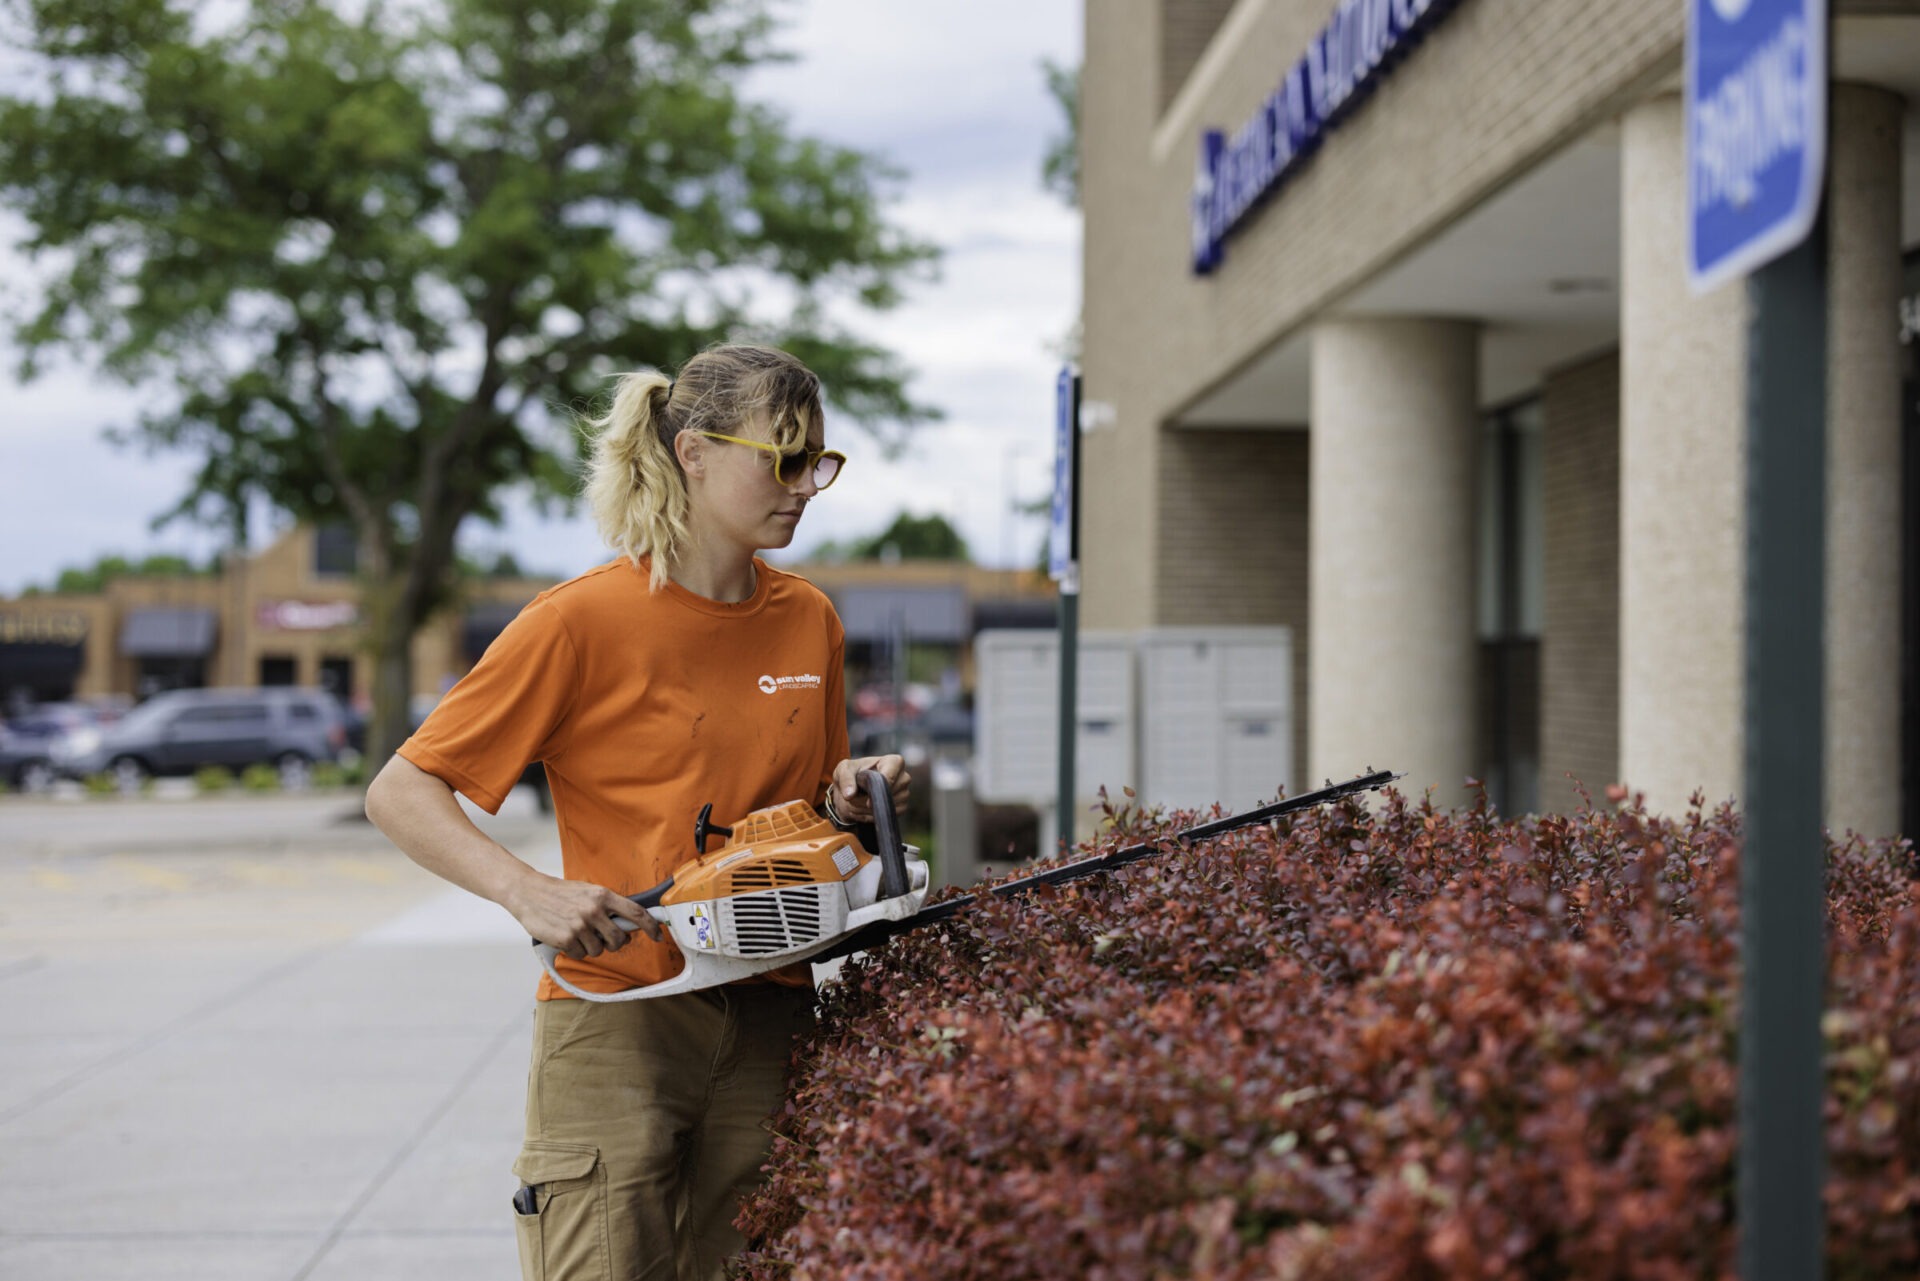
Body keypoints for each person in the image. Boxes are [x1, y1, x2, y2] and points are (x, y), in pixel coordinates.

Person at [364, 343, 909, 1281]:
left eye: (819, 460)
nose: (807, 486)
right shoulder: (579, 620)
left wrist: (850, 797)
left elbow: (808, 808)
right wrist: (526, 890)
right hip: (621, 1013)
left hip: (773, 1005)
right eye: (782, 459)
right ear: (693, 452)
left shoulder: (809, 618)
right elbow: (401, 790)